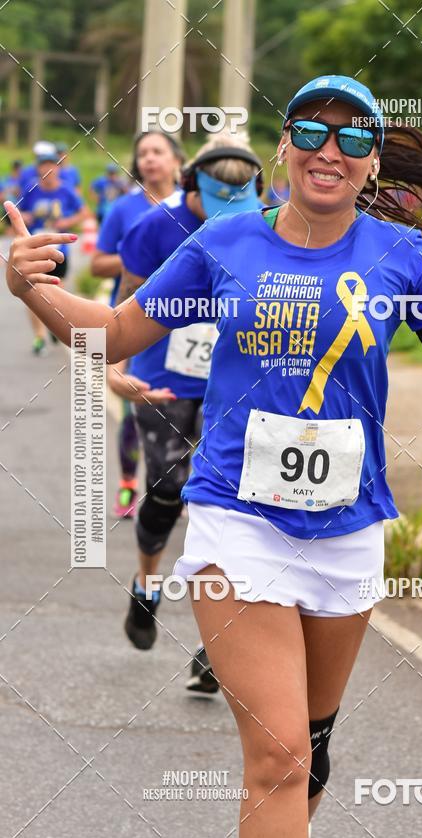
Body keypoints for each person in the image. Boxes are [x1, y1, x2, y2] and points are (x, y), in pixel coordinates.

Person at [4, 73, 422, 838]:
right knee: (278, 754)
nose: (330, 151)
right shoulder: (223, 246)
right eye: (312, 132)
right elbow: (114, 334)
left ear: (371, 164)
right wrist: (32, 288)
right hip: (237, 520)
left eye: (355, 139)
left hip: (347, 530)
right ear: (282, 145)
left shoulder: (407, 258)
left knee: (307, 752)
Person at [112, 133, 262, 694]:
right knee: (170, 487)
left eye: (240, 194)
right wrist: (115, 370)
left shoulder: (260, 227)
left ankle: (217, 641)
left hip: (237, 384)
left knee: (230, 504)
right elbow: (124, 302)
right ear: (192, 184)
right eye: (215, 195)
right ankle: (147, 585)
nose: (227, 207)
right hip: (164, 381)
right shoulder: (157, 227)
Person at [91, 131, 184, 518]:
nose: (149, 159)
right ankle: (129, 483)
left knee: (185, 406)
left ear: (177, 160)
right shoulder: (124, 209)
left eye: (157, 151)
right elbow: (98, 263)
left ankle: (177, 486)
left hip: (189, 321)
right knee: (135, 403)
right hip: (135, 314)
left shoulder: (195, 205)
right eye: (142, 152)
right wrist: (142, 259)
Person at [18, 149, 88, 354]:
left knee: (57, 291)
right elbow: (16, 212)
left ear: (58, 168)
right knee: (33, 291)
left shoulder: (66, 191)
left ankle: (54, 327)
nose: (47, 169)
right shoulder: (30, 189)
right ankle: (39, 336)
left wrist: (68, 221)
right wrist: (25, 217)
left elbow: (84, 213)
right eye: (43, 165)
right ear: (38, 168)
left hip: (59, 250)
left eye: (51, 164)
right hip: (35, 249)